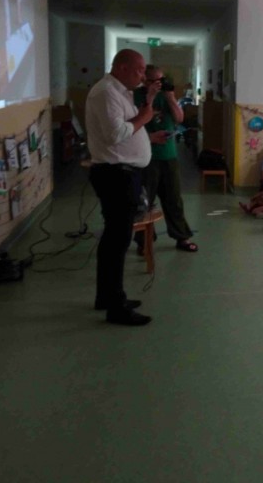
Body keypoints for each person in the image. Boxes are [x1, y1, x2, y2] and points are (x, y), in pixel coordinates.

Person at [85, 49, 160, 326]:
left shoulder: (121, 92)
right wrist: (144, 118)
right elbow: (115, 134)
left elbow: (129, 127)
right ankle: (116, 307)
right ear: (122, 67)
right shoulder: (106, 93)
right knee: (118, 242)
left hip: (123, 173)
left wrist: (147, 103)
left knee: (114, 239)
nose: (143, 75)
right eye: (139, 70)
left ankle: (107, 296)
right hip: (116, 175)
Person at [134, 64, 197, 253]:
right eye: (154, 81)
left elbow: (179, 118)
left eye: (161, 80)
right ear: (145, 80)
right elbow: (134, 123)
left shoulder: (167, 95)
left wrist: (170, 97)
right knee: (145, 202)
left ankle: (181, 237)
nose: (158, 84)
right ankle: (144, 242)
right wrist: (150, 97)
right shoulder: (136, 96)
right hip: (146, 157)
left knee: (174, 199)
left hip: (169, 155)